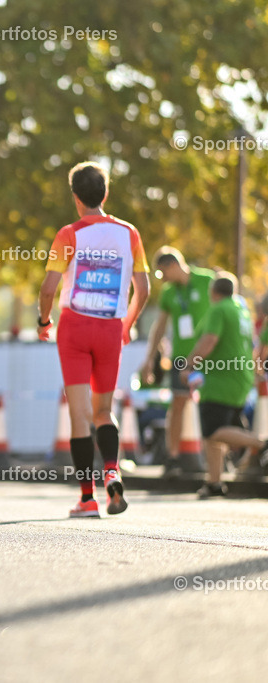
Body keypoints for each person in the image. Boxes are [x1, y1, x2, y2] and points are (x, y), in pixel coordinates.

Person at [38, 161, 150, 518]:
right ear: (106, 194)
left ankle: (87, 498)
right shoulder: (129, 233)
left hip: (73, 326)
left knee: (79, 416)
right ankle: (112, 471)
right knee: (105, 412)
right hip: (109, 327)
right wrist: (127, 324)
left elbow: (47, 290)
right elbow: (143, 289)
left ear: (75, 197)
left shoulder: (68, 234)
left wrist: (44, 321)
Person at [181, 273, 268, 498]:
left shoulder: (218, 309)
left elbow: (209, 340)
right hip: (240, 377)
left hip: (221, 379)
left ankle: (261, 443)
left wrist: (189, 364)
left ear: (213, 292)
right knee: (213, 436)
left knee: (212, 430)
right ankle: (214, 482)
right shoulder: (241, 310)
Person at [140, 248, 215, 477]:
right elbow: (160, 327)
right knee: (178, 404)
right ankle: (173, 457)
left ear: (173, 265)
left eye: (163, 273)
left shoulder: (207, 280)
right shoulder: (169, 293)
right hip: (182, 358)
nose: (163, 279)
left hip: (209, 355)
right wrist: (149, 359)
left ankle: (221, 457)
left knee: (214, 404)